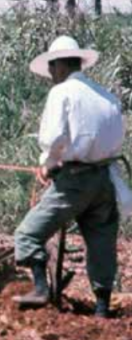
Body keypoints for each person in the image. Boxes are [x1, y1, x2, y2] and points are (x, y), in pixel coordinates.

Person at [13, 36, 127, 318]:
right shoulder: (106, 97)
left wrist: (47, 166)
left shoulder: (61, 93)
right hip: (104, 179)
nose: (51, 75)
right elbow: (114, 140)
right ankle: (102, 307)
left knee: (27, 234)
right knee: (101, 242)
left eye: (52, 68)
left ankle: (40, 288)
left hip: (74, 181)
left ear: (60, 65)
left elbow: (53, 139)